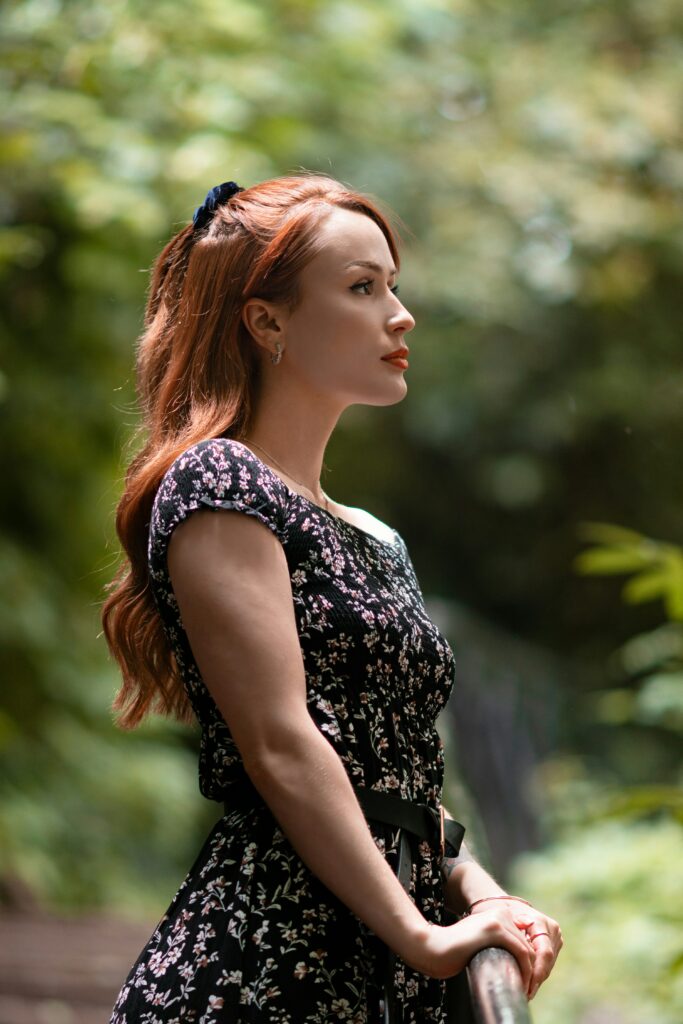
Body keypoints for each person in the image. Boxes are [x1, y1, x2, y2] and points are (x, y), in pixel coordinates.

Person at [103, 172, 562, 1023]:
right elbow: (280, 744)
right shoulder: (221, 482)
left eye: (392, 284)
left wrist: (478, 887)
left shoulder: (370, 534)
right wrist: (419, 937)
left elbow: (393, 767)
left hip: (379, 946)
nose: (399, 314)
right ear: (266, 320)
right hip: (272, 959)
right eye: (361, 288)